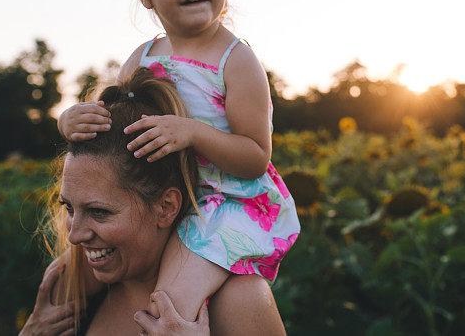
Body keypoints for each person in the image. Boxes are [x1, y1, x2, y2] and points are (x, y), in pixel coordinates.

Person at [57, 0, 300, 322]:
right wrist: (70, 120)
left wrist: (193, 133)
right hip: (163, 199)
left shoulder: (236, 61)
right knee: (67, 286)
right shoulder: (143, 55)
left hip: (224, 206)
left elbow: (256, 156)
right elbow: (117, 125)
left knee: (170, 303)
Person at [21, 67, 287, 335]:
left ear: (166, 207)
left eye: (99, 212)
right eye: (68, 207)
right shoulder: (71, 294)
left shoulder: (239, 301)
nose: (74, 236)